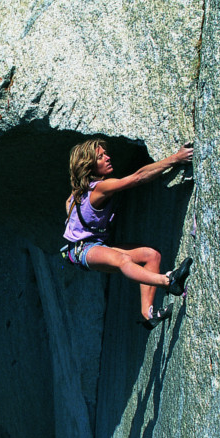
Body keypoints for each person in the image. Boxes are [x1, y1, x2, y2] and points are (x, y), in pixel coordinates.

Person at [63, 139, 194, 329]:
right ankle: (169, 280)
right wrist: (175, 159)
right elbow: (138, 177)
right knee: (123, 260)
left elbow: (70, 213)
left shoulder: (75, 195)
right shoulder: (100, 188)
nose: (108, 157)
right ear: (89, 166)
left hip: (92, 245)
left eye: (105, 154)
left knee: (151, 256)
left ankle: (148, 314)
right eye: (100, 157)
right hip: (82, 250)